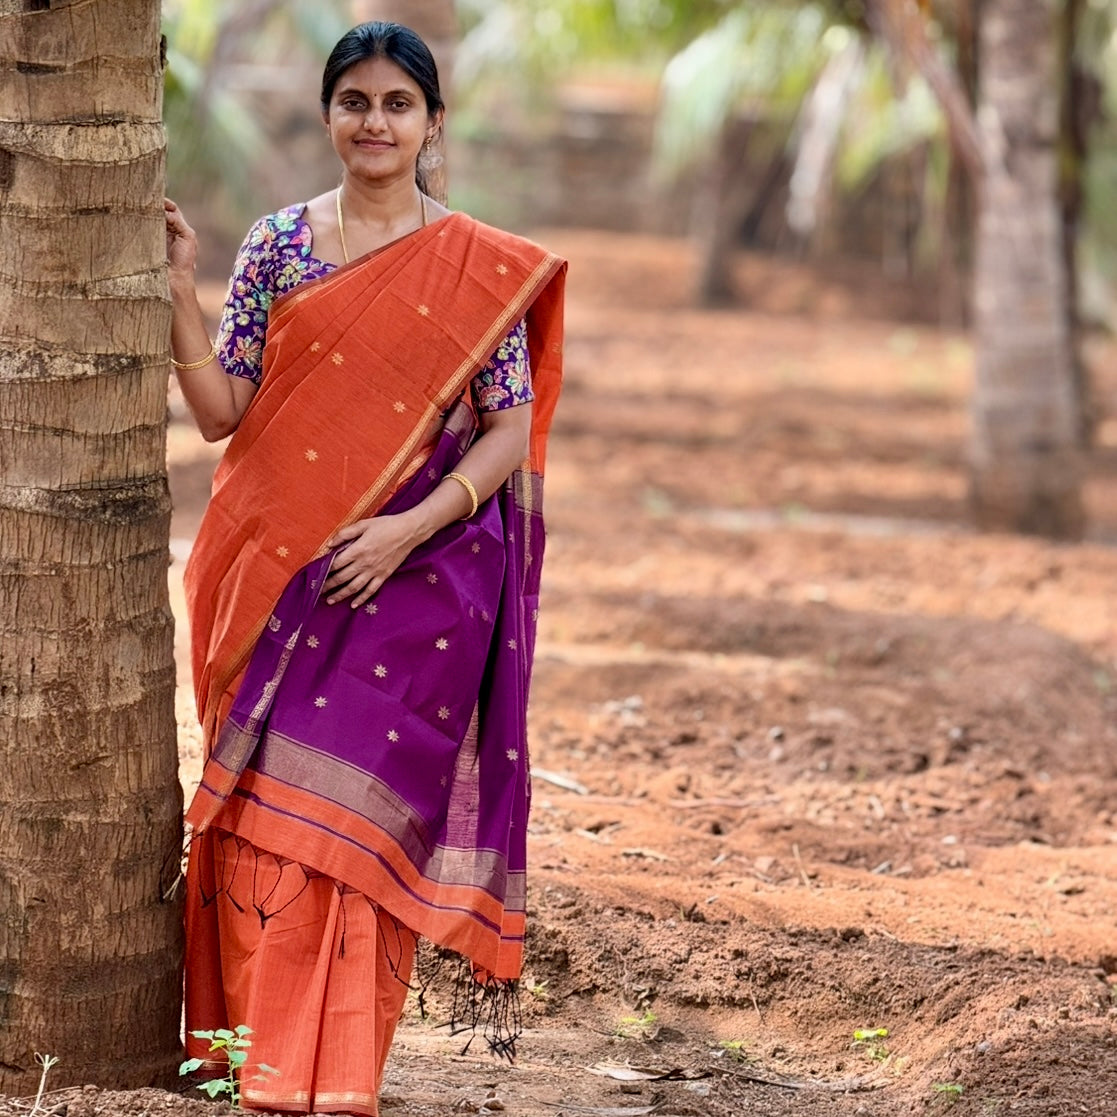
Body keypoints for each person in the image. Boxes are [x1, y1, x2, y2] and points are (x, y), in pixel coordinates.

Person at [165, 21, 565, 1116]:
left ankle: (331, 1075)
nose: (374, 122)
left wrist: (405, 529)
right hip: (261, 568)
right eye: (355, 101)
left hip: (403, 584)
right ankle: (247, 1060)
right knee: (253, 816)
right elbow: (219, 415)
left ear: (433, 123)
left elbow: (506, 427)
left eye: (398, 103)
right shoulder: (277, 246)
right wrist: (176, 291)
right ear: (328, 114)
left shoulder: (476, 265)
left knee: (343, 822)